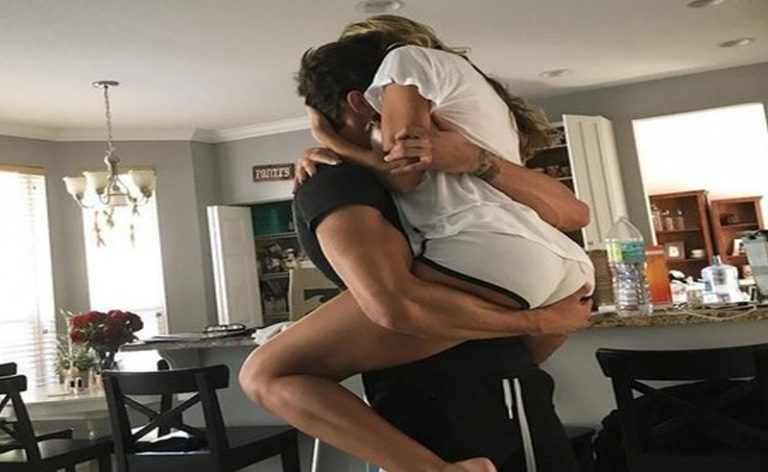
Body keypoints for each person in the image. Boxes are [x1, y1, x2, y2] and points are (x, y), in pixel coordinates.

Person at [239, 20, 593, 472]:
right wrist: (529, 325)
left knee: (265, 373)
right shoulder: (452, 132)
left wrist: (326, 139)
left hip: (458, 389)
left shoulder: (350, 173)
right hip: (541, 286)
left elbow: (394, 303)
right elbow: (573, 218)